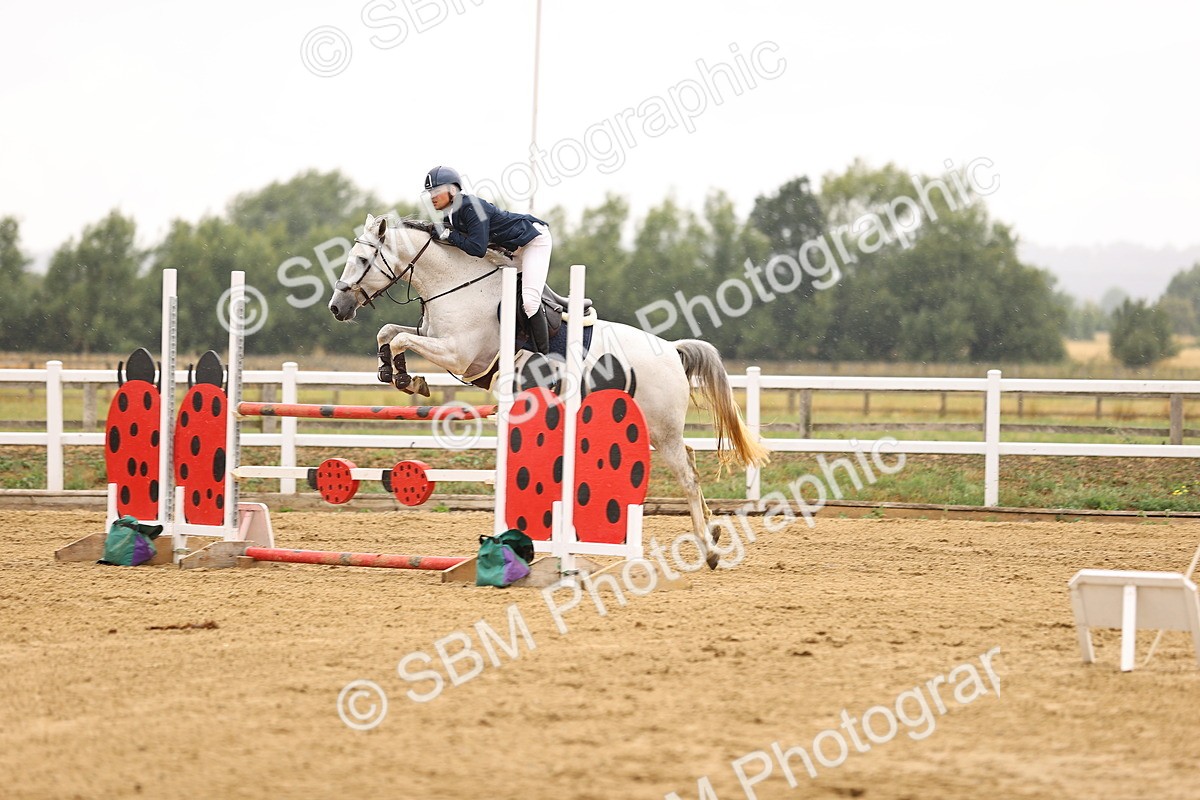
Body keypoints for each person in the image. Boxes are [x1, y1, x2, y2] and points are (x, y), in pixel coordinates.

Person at [423, 165, 553, 354]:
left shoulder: (470, 206)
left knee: (530, 301)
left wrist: (448, 235)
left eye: (436, 191)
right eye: (429, 192)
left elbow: (477, 248)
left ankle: (544, 358)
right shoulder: (452, 214)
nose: (432, 196)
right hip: (512, 250)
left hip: (533, 240)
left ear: (452, 190)